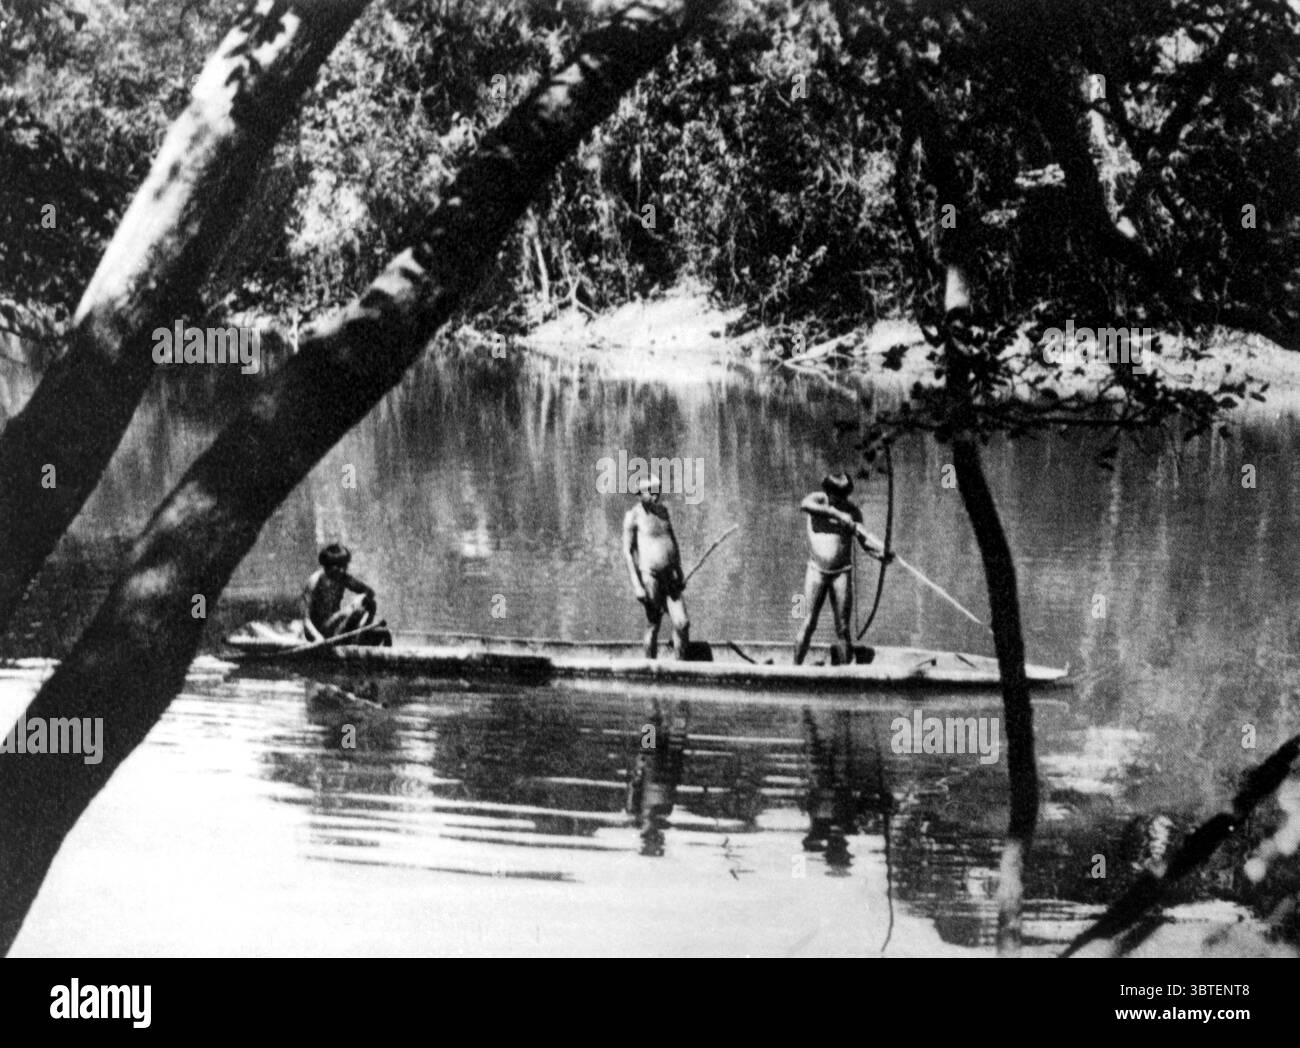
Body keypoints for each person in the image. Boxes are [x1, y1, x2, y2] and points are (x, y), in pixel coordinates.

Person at [793, 472, 891, 666]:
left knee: (843, 628)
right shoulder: (817, 500)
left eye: (844, 495)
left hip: (841, 574)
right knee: (808, 622)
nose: (840, 499)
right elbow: (804, 505)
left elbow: (865, 541)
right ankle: (794, 669)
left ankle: (846, 674)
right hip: (816, 572)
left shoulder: (853, 512)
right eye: (837, 495)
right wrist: (836, 514)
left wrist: (882, 554)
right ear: (828, 491)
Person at [622, 476, 691, 659]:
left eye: (657, 491)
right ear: (639, 494)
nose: (655, 495)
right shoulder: (633, 517)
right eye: (651, 492)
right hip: (650, 577)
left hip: (670, 577)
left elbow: (673, 541)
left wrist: (679, 570)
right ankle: (650, 666)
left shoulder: (663, 512)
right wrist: (637, 585)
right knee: (654, 623)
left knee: (682, 623)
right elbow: (628, 553)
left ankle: (680, 666)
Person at [301, 543, 379, 642]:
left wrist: (362, 599)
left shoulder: (342, 578)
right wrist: (317, 638)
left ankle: (361, 634)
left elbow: (369, 592)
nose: (342, 570)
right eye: (338, 567)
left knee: (368, 602)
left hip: (335, 627)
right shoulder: (315, 581)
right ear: (327, 565)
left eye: (344, 566)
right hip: (317, 631)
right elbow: (305, 620)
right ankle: (347, 638)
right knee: (355, 608)